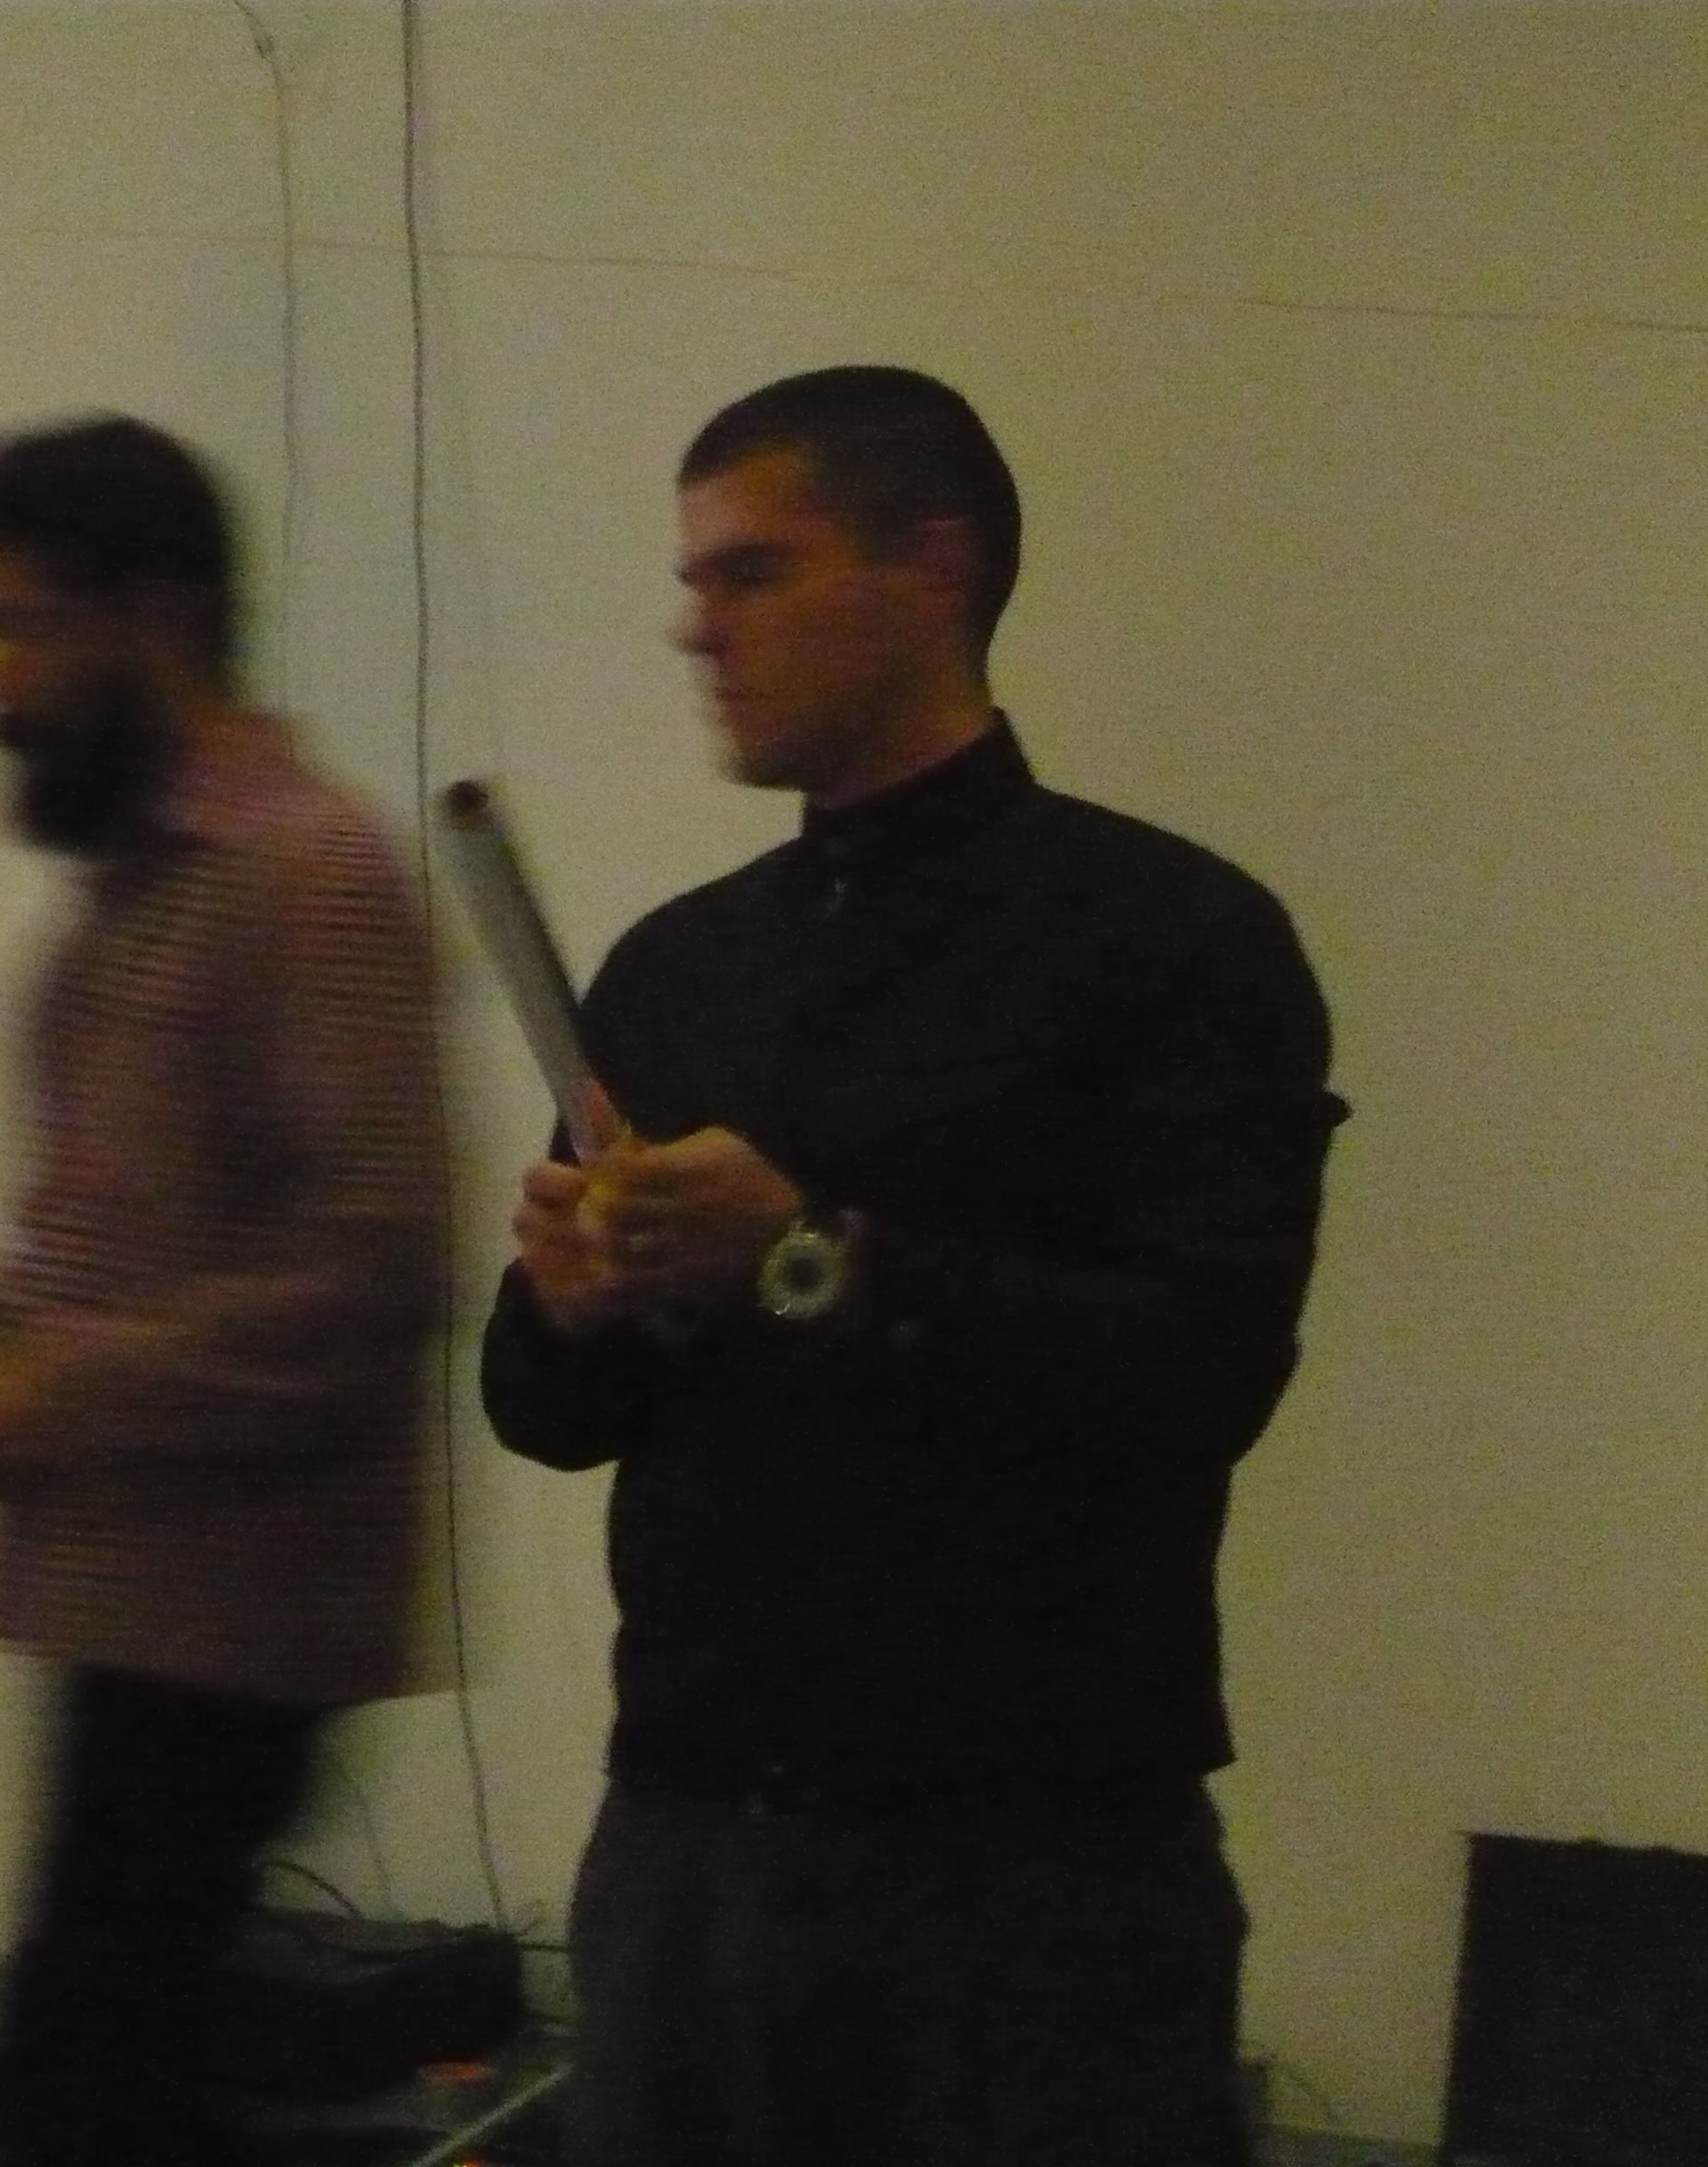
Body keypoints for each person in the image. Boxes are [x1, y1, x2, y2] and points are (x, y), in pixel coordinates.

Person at [479, 366, 1343, 2167]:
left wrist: (805, 1256)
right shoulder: (681, 967)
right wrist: (574, 1292)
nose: (694, 627)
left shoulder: (1174, 942)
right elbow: (546, 1413)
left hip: (1035, 1878)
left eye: (753, 572)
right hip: (691, 1850)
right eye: (692, 579)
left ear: (933, 568)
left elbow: (1199, 1373)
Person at [0, 415, 445, 2167]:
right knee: (106, 2099)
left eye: (16, 626)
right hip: (130, 1606)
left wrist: (37, 1390)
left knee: (71, 2107)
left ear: (159, 619)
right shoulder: (137, 897)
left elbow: (372, 1271)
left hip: (230, 1617)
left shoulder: (308, 875)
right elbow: (122, 1241)